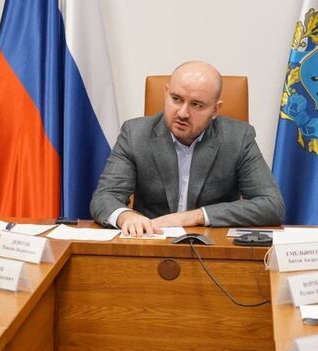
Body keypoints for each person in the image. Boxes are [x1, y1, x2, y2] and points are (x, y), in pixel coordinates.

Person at [90, 60, 285, 236]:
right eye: (176, 99)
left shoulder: (238, 137)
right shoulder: (135, 134)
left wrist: (196, 216)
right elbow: (104, 197)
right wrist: (126, 216)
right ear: (166, 93)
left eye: (197, 105)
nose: (183, 113)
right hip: (151, 244)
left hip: (213, 249)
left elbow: (272, 205)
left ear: (215, 110)